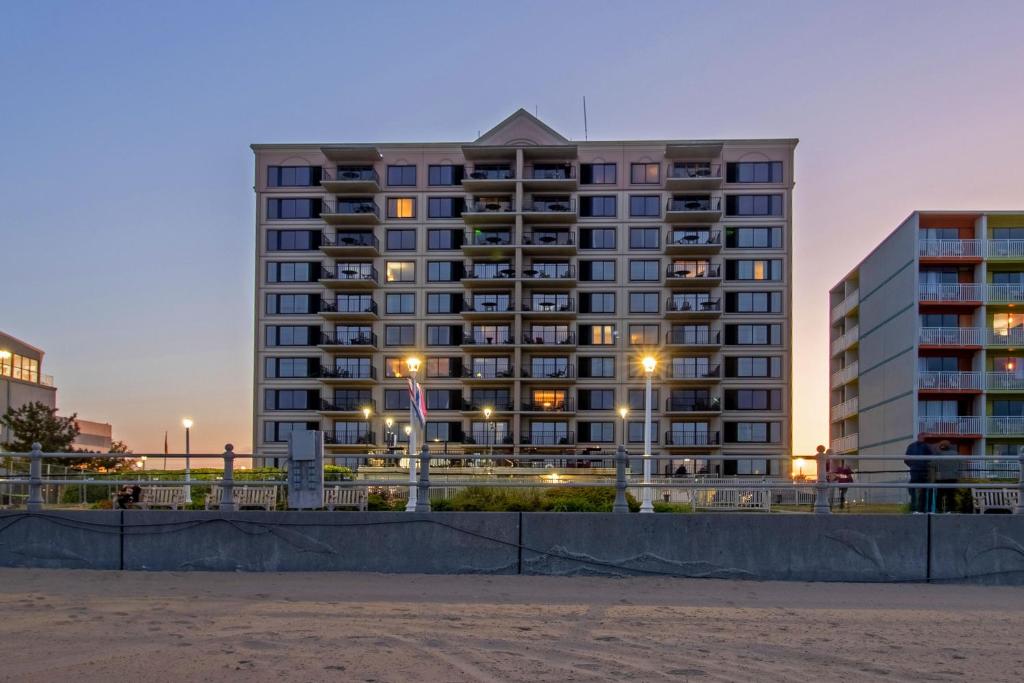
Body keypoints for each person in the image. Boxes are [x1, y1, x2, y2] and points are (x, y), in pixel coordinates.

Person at [905, 434, 934, 513]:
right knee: (921, 491)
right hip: (921, 472)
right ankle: (920, 509)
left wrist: (912, 465)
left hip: (916, 471)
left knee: (915, 490)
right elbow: (931, 458)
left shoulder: (911, 446)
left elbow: (906, 459)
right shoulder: (926, 446)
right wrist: (923, 465)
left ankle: (915, 509)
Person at [933, 440, 959, 513]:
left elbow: (934, 464)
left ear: (941, 446)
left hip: (942, 477)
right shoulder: (955, 453)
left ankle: (939, 510)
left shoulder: (939, 454)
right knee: (951, 495)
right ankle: (951, 510)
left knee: (940, 495)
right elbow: (959, 464)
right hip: (953, 477)